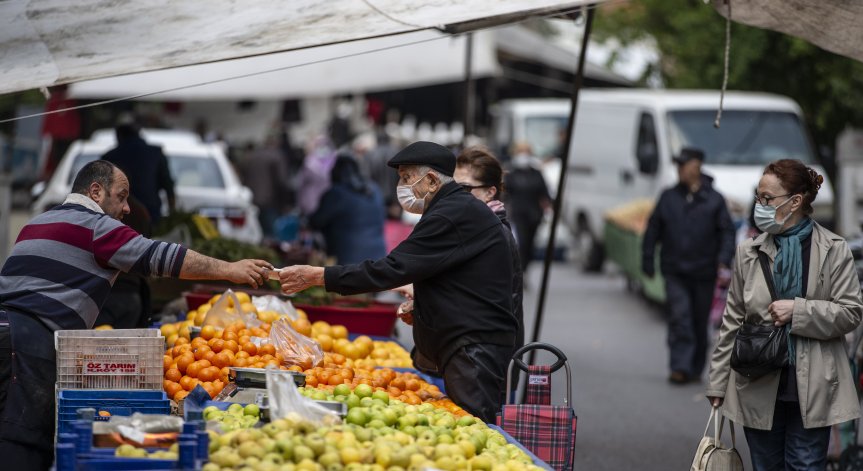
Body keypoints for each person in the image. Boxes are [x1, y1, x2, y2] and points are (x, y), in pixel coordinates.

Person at [0, 161, 273, 470]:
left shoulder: (37, 222)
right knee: (20, 441)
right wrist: (230, 270)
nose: (127, 207)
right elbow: (163, 258)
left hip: (6, 328)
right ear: (96, 191)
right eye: (122, 196)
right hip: (27, 343)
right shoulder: (97, 227)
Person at [279, 141, 518, 423]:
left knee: (473, 428)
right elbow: (453, 278)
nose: (402, 187)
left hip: (474, 347)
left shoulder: (452, 213)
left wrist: (318, 276)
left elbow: (393, 268)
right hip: (470, 343)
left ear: (430, 180)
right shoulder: (452, 208)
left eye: (407, 178)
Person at [707, 160, 863, 470]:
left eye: (767, 198)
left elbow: (850, 313)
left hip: (816, 384)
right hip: (756, 380)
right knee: (765, 466)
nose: (759, 205)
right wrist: (717, 383)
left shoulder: (833, 249)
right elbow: (733, 320)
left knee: (805, 465)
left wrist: (799, 310)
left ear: (795, 202)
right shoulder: (748, 251)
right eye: (758, 197)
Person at [642, 147, 735, 384]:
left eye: (685, 165)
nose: (681, 170)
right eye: (679, 166)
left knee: (698, 319)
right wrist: (648, 259)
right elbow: (653, 229)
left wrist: (724, 259)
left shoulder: (714, 199)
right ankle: (679, 366)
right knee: (679, 317)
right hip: (675, 270)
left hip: (704, 272)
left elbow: (726, 232)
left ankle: (694, 367)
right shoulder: (668, 197)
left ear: (697, 166)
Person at [454, 146, 524, 356]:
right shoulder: (470, 226)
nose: (454, 196)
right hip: (471, 350)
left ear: (489, 192)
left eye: (464, 188)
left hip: (484, 356)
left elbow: (473, 296)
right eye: (451, 188)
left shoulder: (491, 232)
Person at [310, 155, 387, 264]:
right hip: (379, 256)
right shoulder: (374, 189)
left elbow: (316, 221)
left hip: (348, 258)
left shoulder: (336, 193)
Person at [101, 120, 176, 228]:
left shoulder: (110, 157)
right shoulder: (155, 153)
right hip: (152, 215)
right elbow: (168, 186)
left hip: (118, 220)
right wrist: (172, 217)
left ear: (119, 136)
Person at [504, 142, 551, 275]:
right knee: (522, 243)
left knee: (531, 244)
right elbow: (505, 192)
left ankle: (525, 268)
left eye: (526, 152)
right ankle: (521, 270)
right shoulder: (511, 172)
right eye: (520, 152)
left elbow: (544, 191)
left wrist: (548, 205)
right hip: (518, 213)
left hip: (535, 214)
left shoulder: (536, 173)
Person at [238, 132, 292, 237]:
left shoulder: (251, 156)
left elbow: (243, 177)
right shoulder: (277, 156)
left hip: (251, 199)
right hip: (270, 201)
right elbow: (282, 181)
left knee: (254, 233)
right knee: (271, 234)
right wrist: (286, 203)